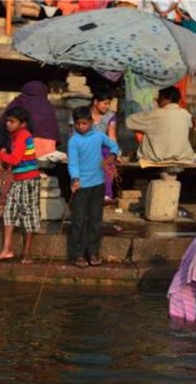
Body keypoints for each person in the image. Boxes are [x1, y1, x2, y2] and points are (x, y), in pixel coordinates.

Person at [0, 80, 61, 218]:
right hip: (46, 155)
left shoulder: (20, 104)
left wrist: (0, 149)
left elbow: (4, 129)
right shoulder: (48, 107)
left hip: (23, 156)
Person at [0, 107, 41, 264]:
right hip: (18, 179)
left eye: (12, 121)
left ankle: (26, 254)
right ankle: (7, 249)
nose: (8, 124)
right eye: (7, 121)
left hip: (29, 181)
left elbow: (15, 159)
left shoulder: (23, 135)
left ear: (22, 124)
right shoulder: (15, 136)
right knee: (9, 213)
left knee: (28, 215)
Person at [67, 107, 119, 268]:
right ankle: (78, 254)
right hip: (81, 186)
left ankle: (93, 253)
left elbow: (114, 146)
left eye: (84, 123)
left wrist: (111, 157)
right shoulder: (74, 141)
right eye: (77, 124)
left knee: (95, 220)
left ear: (91, 122)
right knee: (79, 221)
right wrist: (75, 179)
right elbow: (73, 163)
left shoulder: (98, 135)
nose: (80, 126)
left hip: (98, 184)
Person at [126, 86, 195, 162]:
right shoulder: (186, 115)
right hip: (183, 158)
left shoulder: (155, 114)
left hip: (156, 159)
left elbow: (129, 121)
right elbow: (190, 124)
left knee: (141, 127)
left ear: (165, 99)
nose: (157, 101)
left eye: (159, 98)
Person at [89, 90, 118, 202]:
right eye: (105, 103)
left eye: (108, 104)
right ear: (96, 102)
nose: (107, 106)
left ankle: (106, 194)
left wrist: (115, 152)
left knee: (107, 157)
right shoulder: (84, 113)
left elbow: (111, 136)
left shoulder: (110, 116)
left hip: (102, 148)